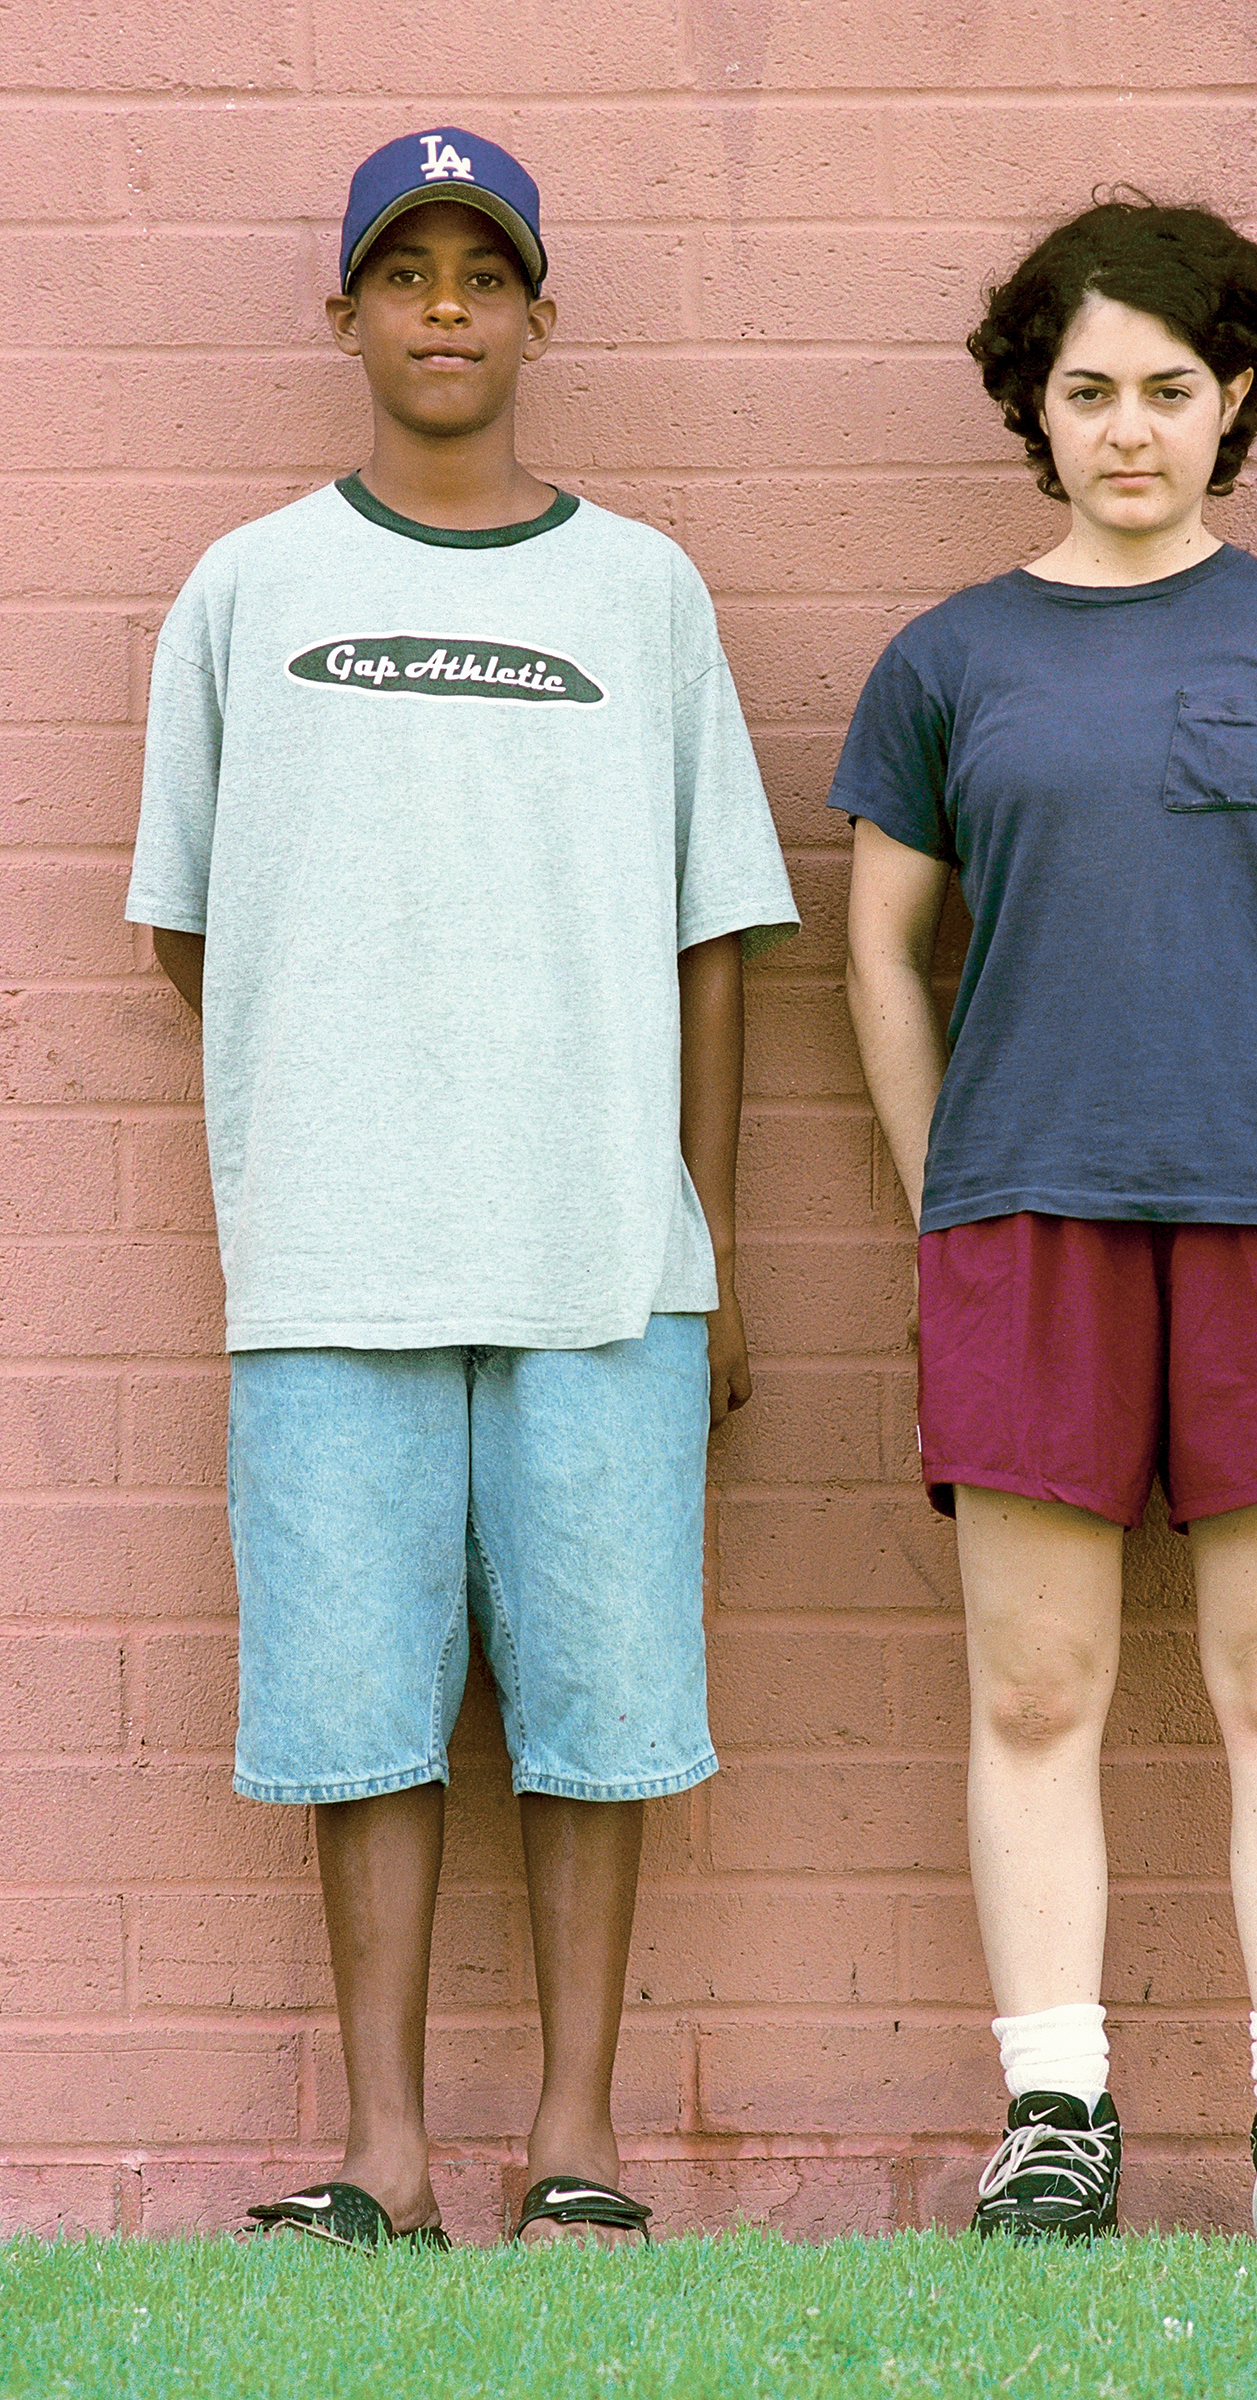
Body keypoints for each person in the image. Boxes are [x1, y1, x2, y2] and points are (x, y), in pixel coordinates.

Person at [127, 128, 797, 2251]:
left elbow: (713, 939)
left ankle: (574, 2139)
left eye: (481, 274)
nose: (443, 307)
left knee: (599, 1711)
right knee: (357, 1713)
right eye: (403, 272)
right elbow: (190, 923)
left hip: (603, 1253)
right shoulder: (249, 590)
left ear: (537, 316)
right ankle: (386, 2152)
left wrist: (702, 1239)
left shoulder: (641, 591)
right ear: (343, 314)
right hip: (333, 1253)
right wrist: (359, 1064)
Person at [834, 195, 1257, 2243]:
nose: (1126, 429)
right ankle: (1057, 2114)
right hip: (1026, 1221)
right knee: (1032, 1690)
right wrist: (945, 1189)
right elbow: (878, 951)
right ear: (1033, 404)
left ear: (1235, 395)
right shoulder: (949, 659)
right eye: (1087, 390)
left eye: (1169, 389)